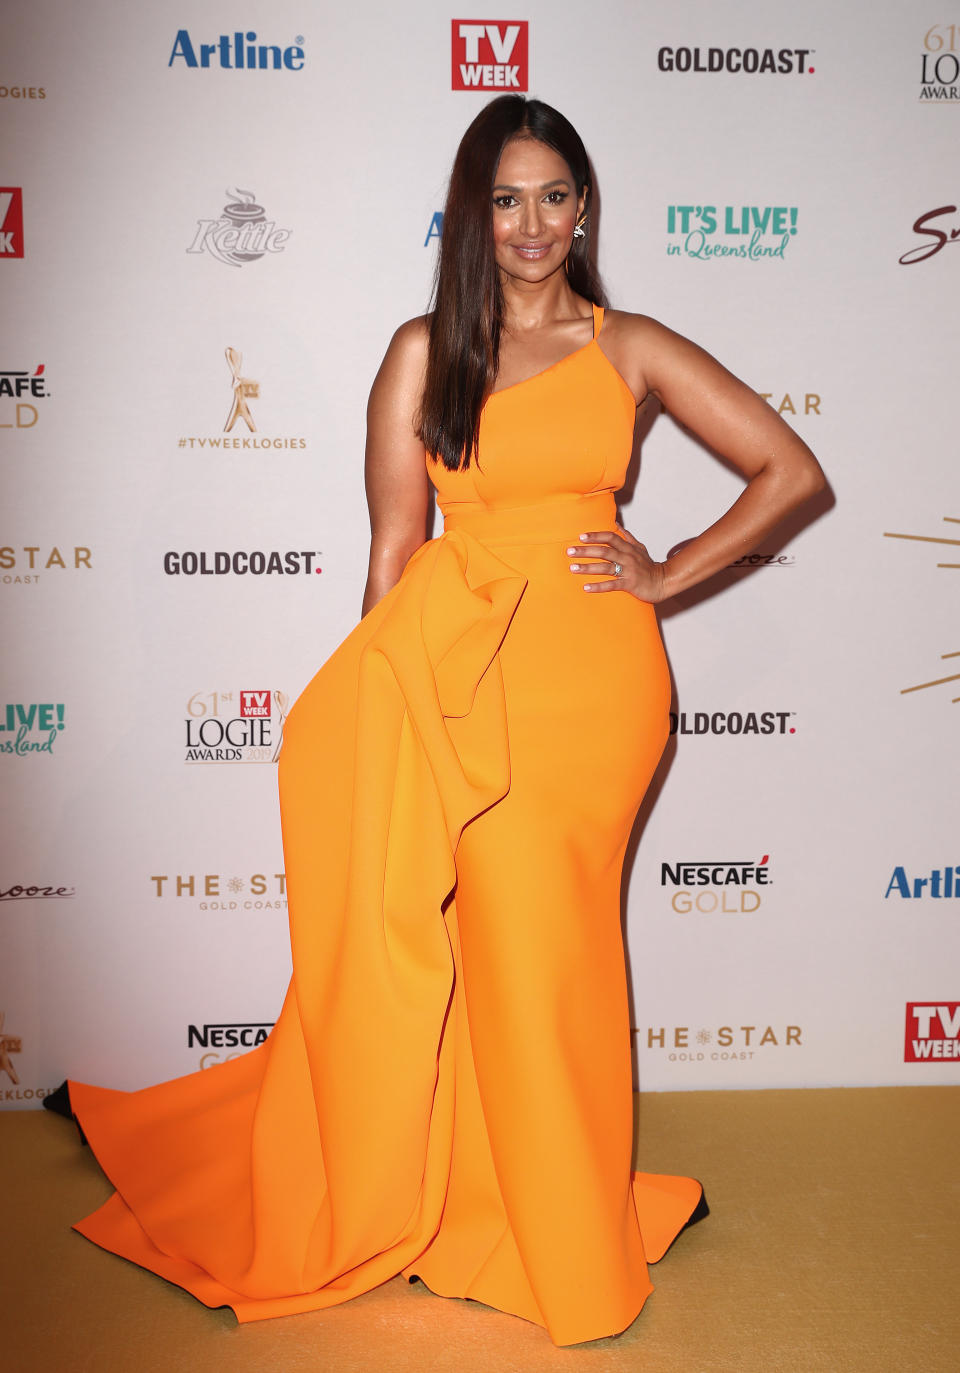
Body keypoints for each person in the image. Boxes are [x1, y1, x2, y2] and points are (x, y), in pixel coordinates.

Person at [49, 95, 824, 1347]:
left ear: (585, 208)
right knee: (485, 948)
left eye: (555, 196)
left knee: (548, 940)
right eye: (507, 199)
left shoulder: (628, 344)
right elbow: (395, 555)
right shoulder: (423, 351)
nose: (532, 224)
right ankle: (496, 1203)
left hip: (594, 687)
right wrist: (378, 717)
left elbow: (791, 471)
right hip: (461, 677)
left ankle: (552, 1223)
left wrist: (668, 571)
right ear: (475, 212)